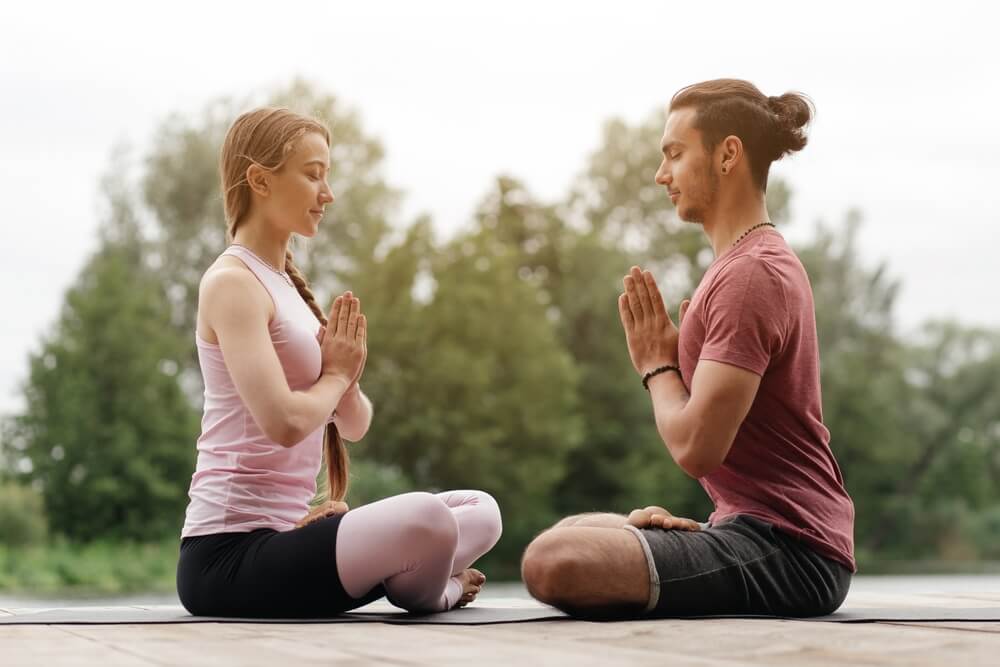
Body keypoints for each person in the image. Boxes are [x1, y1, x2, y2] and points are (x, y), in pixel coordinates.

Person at [521, 79, 855, 619]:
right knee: (575, 530)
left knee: (552, 560)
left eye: (675, 154)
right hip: (753, 530)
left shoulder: (752, 274)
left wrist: (657, 365)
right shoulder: (738, 267)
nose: (661, 174)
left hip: (795, 550)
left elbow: (698, 447)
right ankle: (689, 536)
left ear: (727, 155)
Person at [176, 107, 502, 618]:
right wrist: (335, 374)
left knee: (481, 511)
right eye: (313, 175)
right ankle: (440, 590)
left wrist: (346, 379)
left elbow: (353, 425)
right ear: (260, 180)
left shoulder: (284, 287)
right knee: (427, 518)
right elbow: (284, 423)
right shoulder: (231, 283)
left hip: (285, 541)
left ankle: (414, 569)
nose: (327, 194)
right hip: (226, 559)